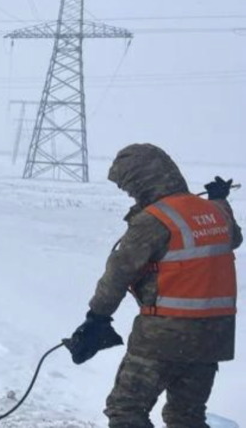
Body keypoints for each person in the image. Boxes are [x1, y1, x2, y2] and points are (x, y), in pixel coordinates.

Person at [66, 143, 241, 428]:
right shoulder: (216, 211)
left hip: (165, 336)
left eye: (129, 186)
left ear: (142, 179)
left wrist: (96, 318)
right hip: (213, 338)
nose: (130, 193)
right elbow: (233, 237)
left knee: (126, 410)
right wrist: (221, 199)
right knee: (186, 417)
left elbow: (119, 272)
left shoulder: (154, 220)